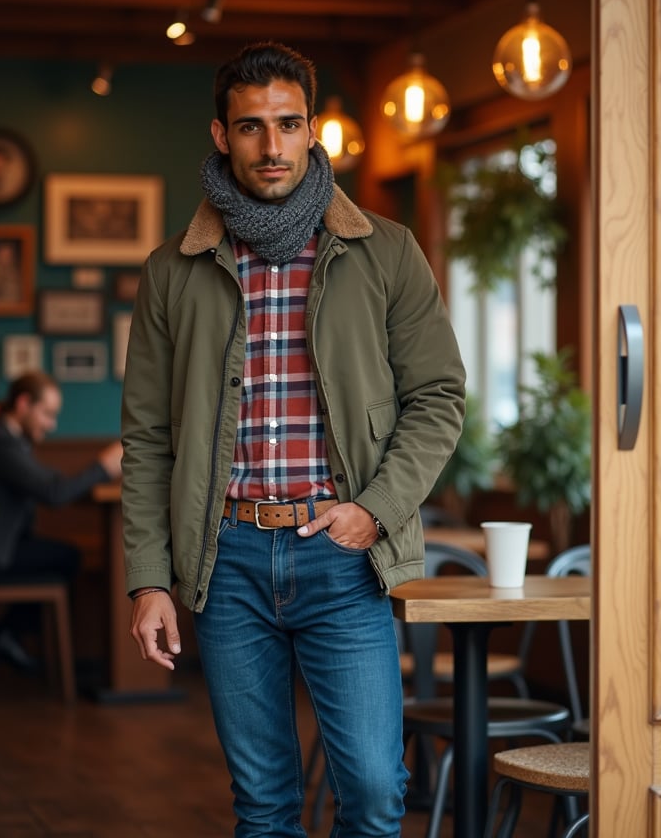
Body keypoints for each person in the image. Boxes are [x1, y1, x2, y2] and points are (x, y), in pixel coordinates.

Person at [120, 41, 466, 837]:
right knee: (266, 807)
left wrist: (374, 509)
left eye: (287, 124)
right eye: (250, 127)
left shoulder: (386, 251)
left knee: (377, 794)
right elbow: (147, 436)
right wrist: (148, 580)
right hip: (228, 560)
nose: (270, 146)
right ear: (220, 135)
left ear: (313, 130)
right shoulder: (173, 270)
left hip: (343, 557)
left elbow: (440, 395)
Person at [0, 370, 123, 667]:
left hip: (6, 549)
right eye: (47, 414)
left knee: (65, 556)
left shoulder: (11, 440)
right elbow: (54, 493)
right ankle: (3, 634)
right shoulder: (0, 442)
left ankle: (7, 634)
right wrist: (104, 466)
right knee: (68, 557)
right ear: (23, 404)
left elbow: (52, 484)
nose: (52, 424)